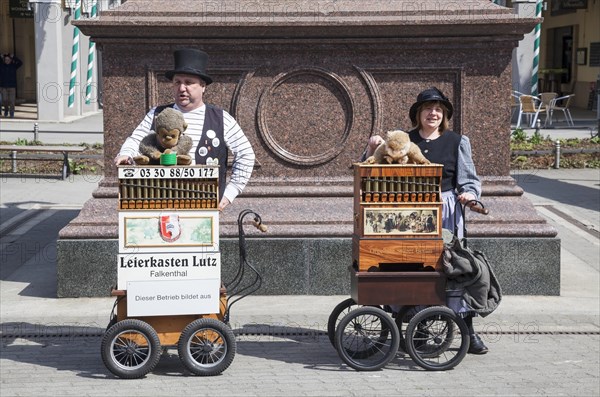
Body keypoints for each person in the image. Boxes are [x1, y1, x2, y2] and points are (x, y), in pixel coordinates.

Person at [363, 87, 487, 355]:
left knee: (454, 271)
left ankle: (468, 331)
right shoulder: (402, 139)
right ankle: (416, 328)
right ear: (418, 114)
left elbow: (469, 179)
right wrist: (370, 148)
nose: (433, 113)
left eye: (439, 110)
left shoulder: (457, 141)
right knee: (413, 269)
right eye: (428, 109)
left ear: (444, 115)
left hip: (446, 210)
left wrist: (468, 194)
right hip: (408, 211)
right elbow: (371, 168)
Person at [114, 48, 255, 211]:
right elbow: (136, 139)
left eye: (188, 82)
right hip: (160, 201)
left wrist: (229, 193)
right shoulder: (157, 114)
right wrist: (125, 154)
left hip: (203, 203)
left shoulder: (221, 118)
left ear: (203, 86)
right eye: (177, 82)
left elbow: (246, 154)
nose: (181, 88)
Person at [0, 53, 23, 118]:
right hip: (3, 86)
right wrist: (1, 57)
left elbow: (20, 63)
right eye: (5, 59)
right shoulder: (1, 65)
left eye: (8, 59)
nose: (7, 60)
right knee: (5, 100)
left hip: (12, 87)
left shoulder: (13, 66)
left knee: (12, 101)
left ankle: (12, 113)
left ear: (10, 60)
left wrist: (14, 57)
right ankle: (6, 110)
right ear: (4, 60)